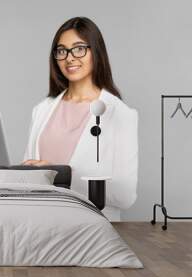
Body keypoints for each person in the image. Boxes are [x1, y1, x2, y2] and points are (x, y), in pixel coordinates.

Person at [22, 17, 138, 221]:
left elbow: (125, 195)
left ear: (96, 52)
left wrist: (61, 176)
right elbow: (29, 171)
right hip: (41, 223)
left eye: (78, 48)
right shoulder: (41, 110)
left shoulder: (120, 114)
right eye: (61, 51)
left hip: (91, 226)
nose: (69, 58)